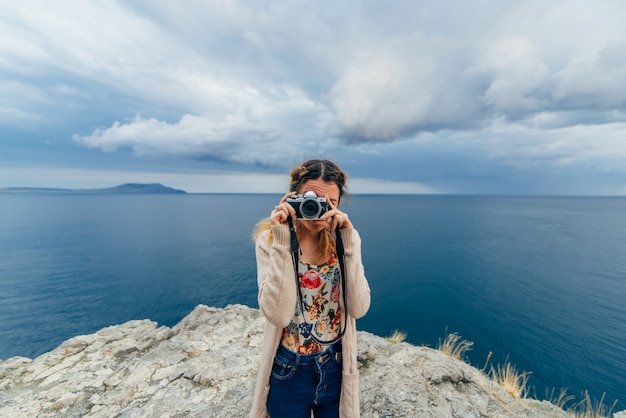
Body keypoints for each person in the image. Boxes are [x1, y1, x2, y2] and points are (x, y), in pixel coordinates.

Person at [250, 159, 371, 418]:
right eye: (311, 198)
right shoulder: (269, 241)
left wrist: (348, 242)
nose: (317, 209)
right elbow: (279, 315)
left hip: (335, 365)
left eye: (330, 203)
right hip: (288, 369)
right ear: (293, 197)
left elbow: (359, 308)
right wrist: (283, 237)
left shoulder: (346, 240)